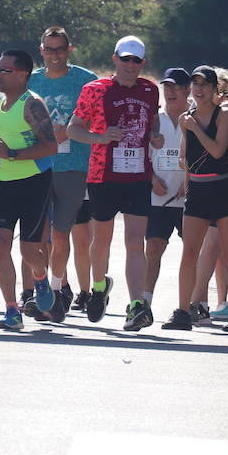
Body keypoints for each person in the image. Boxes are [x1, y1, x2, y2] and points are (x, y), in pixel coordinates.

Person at [66, 34, 163, 328]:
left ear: (142, 63)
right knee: (101, 241)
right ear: (115, 60)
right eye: (125, 59)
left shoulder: (150, 90)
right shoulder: (95, 90)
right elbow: (73, 129)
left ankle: (136, 306)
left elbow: (153, 121)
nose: (130, 65)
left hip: (137, 176)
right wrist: (100, 137)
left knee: (135, 242)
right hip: (102, 174)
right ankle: (98, 287)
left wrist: (155, 136)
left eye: (136, 60)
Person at [164, 66, 228, 332]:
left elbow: (217, 151)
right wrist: (184, 171)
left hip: (223, 187)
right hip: (198, 190)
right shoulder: (186, 118)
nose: (199, 89)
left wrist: (194, 128)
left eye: (205, 84)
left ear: (215, 89)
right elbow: (185, 155)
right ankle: (183, 310)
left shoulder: (224, 114)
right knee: (189, 252)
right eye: (195, 84)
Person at [28, 26, 99, 316]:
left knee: (61, 236)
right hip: (37, 167)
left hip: (73, 168)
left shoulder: (86, 81)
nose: (54, 55)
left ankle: (56, 293)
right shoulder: (30, 82)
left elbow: (97, 122)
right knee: (37, 238)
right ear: (41, 50)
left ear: (69, 50)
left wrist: (69, 132)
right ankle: (44, 292)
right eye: (49, 49)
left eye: (60, 49)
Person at [0, 49, 59, 331]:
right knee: (1, 242)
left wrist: (12, 153)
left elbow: (50, 146)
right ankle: (12, 310)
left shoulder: (33, 105)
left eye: (5, 70)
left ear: (22, 75)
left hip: (34, 182)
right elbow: (2, 146)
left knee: (29, 251)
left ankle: (39, 276)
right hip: (5, 183)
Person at [145, 68, 189, 306]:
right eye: (167, 87)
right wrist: (151, 179)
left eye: (176, 87)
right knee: (153, 248)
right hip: (158, 198)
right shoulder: (154, 119)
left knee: (194, 253)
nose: (170, 92)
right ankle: (144, 302)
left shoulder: (195, 118)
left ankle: (196, 303)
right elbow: (142, 154)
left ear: (187, 90)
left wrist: (190, 178)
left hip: (188, 198)